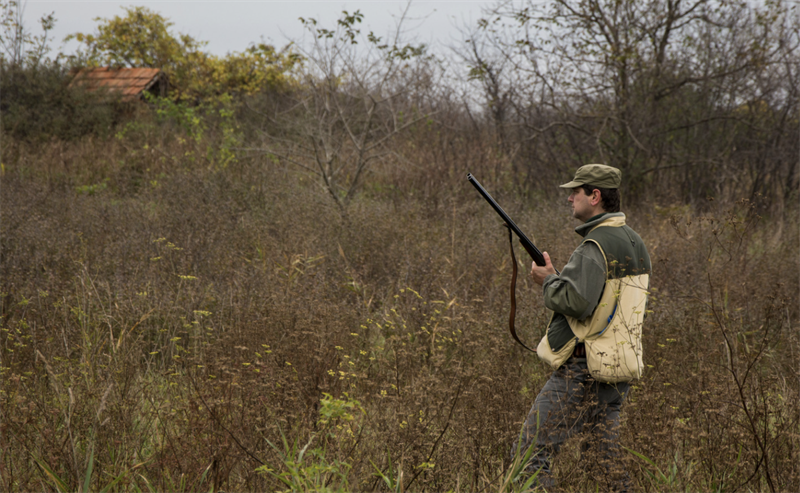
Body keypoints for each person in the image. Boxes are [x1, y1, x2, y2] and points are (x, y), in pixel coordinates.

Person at [512, 164, 652, 491]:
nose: (570, 197)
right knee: (603, 463)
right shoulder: (635, 242)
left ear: (595, 196)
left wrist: (548, 282)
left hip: (583, 369)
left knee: (529, 455)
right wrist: (561, 280)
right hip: (617, 370)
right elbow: (608, 303)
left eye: (576, 191)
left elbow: (578, 303)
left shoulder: (596, 244)